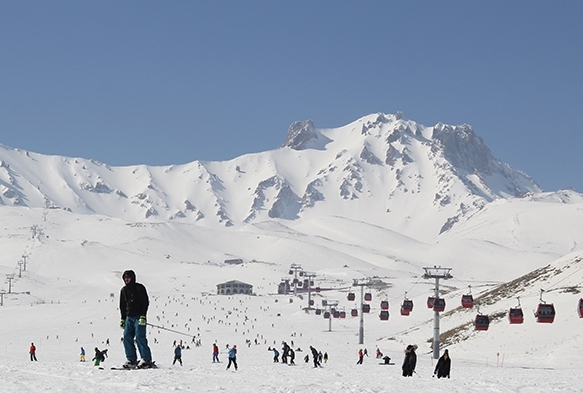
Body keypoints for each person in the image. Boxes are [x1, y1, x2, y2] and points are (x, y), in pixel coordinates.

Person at [119, 270, 153, 369]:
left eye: (128, 277)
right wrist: (123, 318)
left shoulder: (139, 288)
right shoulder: (123, 290)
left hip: (139, 316)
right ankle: (131, 359)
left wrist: (143, 315)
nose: (126, 279)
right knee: (126, 337)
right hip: (129, 317)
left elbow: (145, 302)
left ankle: (146, 359)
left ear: (132, 278)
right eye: (125, 278)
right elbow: (122, 305)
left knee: (139, 337)